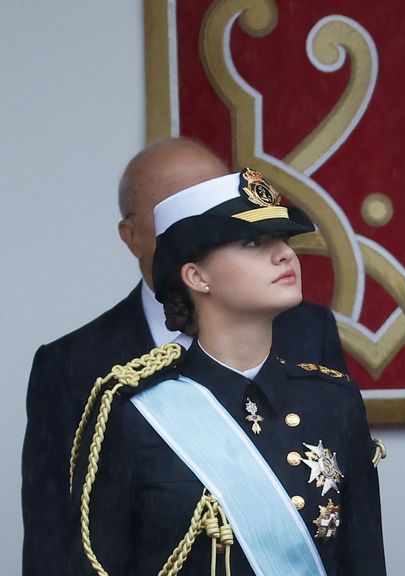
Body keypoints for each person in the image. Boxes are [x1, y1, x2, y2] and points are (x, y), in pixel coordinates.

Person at [22, 139, 349, 575]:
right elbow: (55, 537)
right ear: (132, 235)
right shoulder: (70, 366)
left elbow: (344, 524)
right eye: (182, 207)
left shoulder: (309, 332)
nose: (211, 219)